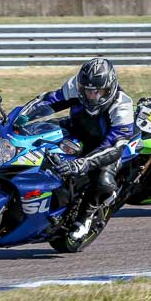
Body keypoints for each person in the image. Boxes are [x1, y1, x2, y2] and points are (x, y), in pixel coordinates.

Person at [21, 58, 135, 240]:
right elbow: (50, 101)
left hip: (104, 146)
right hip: (76, 130)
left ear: (110, 89)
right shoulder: (75, 86)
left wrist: (83, 163)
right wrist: (21, 116)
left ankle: (86, 217)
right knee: (36, 133)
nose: (92, 96)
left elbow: (115, 145)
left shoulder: (122, 105)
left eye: (98, 92)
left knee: (103, 182)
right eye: (87, 91)